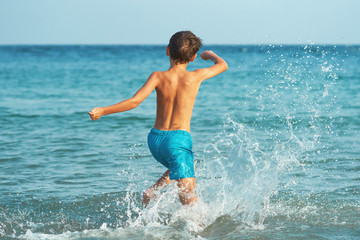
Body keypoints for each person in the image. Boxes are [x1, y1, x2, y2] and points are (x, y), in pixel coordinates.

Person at [88, 31, 227, 207]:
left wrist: (102, 111)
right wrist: (210, 55)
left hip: (155, 140)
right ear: (193, 58)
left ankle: (153, 190)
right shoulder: (195, 75)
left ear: (167, 51)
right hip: (178, 140)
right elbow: (223, 65)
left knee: (177, 163)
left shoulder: (157, 76)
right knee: (191, 204)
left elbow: (134, 101)